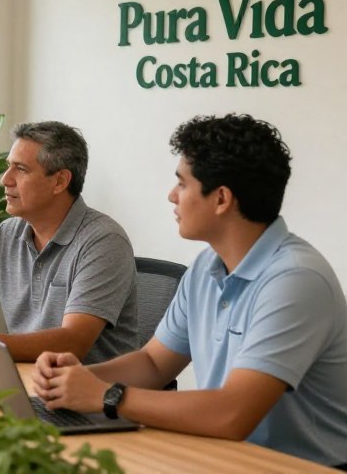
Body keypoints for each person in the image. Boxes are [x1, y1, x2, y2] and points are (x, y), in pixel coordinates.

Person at [32, 114, 347, 468]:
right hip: (230, 457)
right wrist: (76, 379)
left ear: (222, 199)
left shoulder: (296, 280)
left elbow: (233, 413)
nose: (171, 195)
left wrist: (107, 395)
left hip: (300, 466)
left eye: (182, 184)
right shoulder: (205, 266)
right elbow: (154, 364)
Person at [0, 121, 138, 364]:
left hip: (87, 393)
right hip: (23, 381)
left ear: (60, 181)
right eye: (9, 167)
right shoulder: (7, 234)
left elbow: (73, 342)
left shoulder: (103, 241)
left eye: (21, 169)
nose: (5, 180)